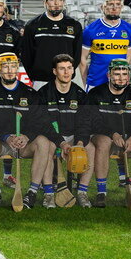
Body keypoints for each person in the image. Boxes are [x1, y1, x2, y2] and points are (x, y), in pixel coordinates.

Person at [0, 52, 58, 210]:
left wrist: (27, 136)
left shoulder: (29, 94)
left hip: (23, 144)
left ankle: (32, 192)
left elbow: (40, 121)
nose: (9, 70)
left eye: (13, 66)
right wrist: (6, 136)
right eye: (5, 66)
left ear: (18, 68)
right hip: (1, 143)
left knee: (43, 142)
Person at [87, 60, 131, 208]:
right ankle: (101, 192)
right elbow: (94, 122)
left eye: (124, 74)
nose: (121, 78)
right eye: (117, 74)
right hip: (103, 137)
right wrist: (113, 134)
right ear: (109, 75)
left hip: (126, 139)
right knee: (104, 142)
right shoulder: (95, 94)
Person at [36, 54, 94, 207]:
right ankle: (48, 193)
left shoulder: (81, 95)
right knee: (46, 146)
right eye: (62, 69)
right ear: (54, 71)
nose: (66, 72)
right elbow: (43, 124)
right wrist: (61, 143)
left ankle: (82, 192)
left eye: (69, 68)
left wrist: (80, 142)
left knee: (91, 148)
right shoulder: (43, 93)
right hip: (53, 137)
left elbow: (85, 122)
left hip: (74, 137)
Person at [20, 0, 83, 89]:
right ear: (45, 2)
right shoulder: (32, 25)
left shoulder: (74, 25)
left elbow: (77, 55)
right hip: (40, 80)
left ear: (64, 2)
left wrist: (66, 74)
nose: (56, 3)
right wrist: (34, 75)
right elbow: (26, 55)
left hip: (65, 81)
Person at [80, 0, 131, 89]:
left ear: (122, 7)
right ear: (102, 7)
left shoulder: (129, 30)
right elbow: (82, 59)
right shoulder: (90, 30)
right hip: (96, 83)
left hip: (119, 85)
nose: (114, 8)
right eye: (110, 4)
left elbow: (128, 58)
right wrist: (85, 83)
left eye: (118, 4)